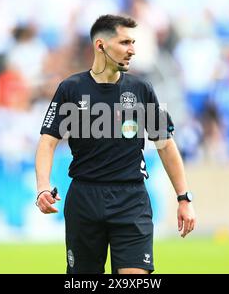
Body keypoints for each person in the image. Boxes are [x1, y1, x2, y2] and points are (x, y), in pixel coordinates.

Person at [35, 14, 195, 274]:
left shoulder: (142, 89)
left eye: (133, 43)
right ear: (101, 45)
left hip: (131, 200)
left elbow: (165, 146)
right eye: (125, 43)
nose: (132, 50)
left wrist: (184, 198)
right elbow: (47, 142)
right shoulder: (71, 89)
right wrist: (43, 186)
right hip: (84, 198)